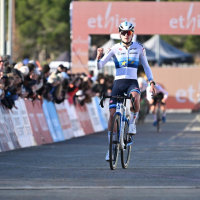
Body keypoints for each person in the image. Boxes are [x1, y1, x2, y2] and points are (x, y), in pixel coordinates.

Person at [96, 21, 157, 161]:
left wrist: (151, 82)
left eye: (128, 32)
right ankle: (110, 149)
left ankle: (133, 123)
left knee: (135, 98)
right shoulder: (114, 48)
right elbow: (99, 66)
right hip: (118, 83)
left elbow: (146, 67)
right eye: (123, 32)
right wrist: (98, 55)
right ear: (119, 34)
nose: (126, 35)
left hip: (132, 82)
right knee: (112, 114)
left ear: (132, 34)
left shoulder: (139, 47)